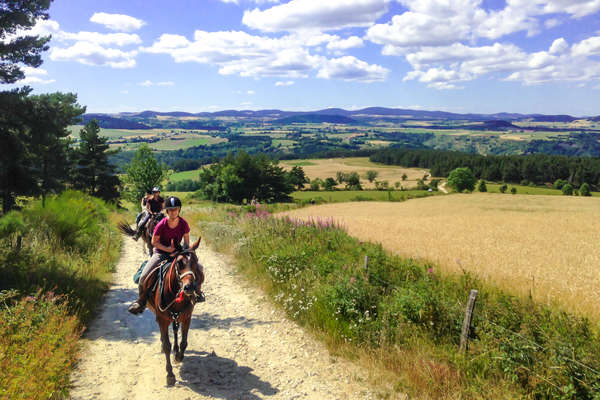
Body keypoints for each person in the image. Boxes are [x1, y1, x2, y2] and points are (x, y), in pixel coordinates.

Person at [128, 196, 190, 315]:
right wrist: (168, 249)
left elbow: (187, 242)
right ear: (167, 211)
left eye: (176, 209)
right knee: (144, 276)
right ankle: (141, 301)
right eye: (171, 210)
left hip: (178, 253)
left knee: (194, 270)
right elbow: (154, 242)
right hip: (161, 253)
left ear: (179, 210)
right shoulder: (161, 224)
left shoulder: (183, 223)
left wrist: (183, 252)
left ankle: (196, 294)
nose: (173, 212)